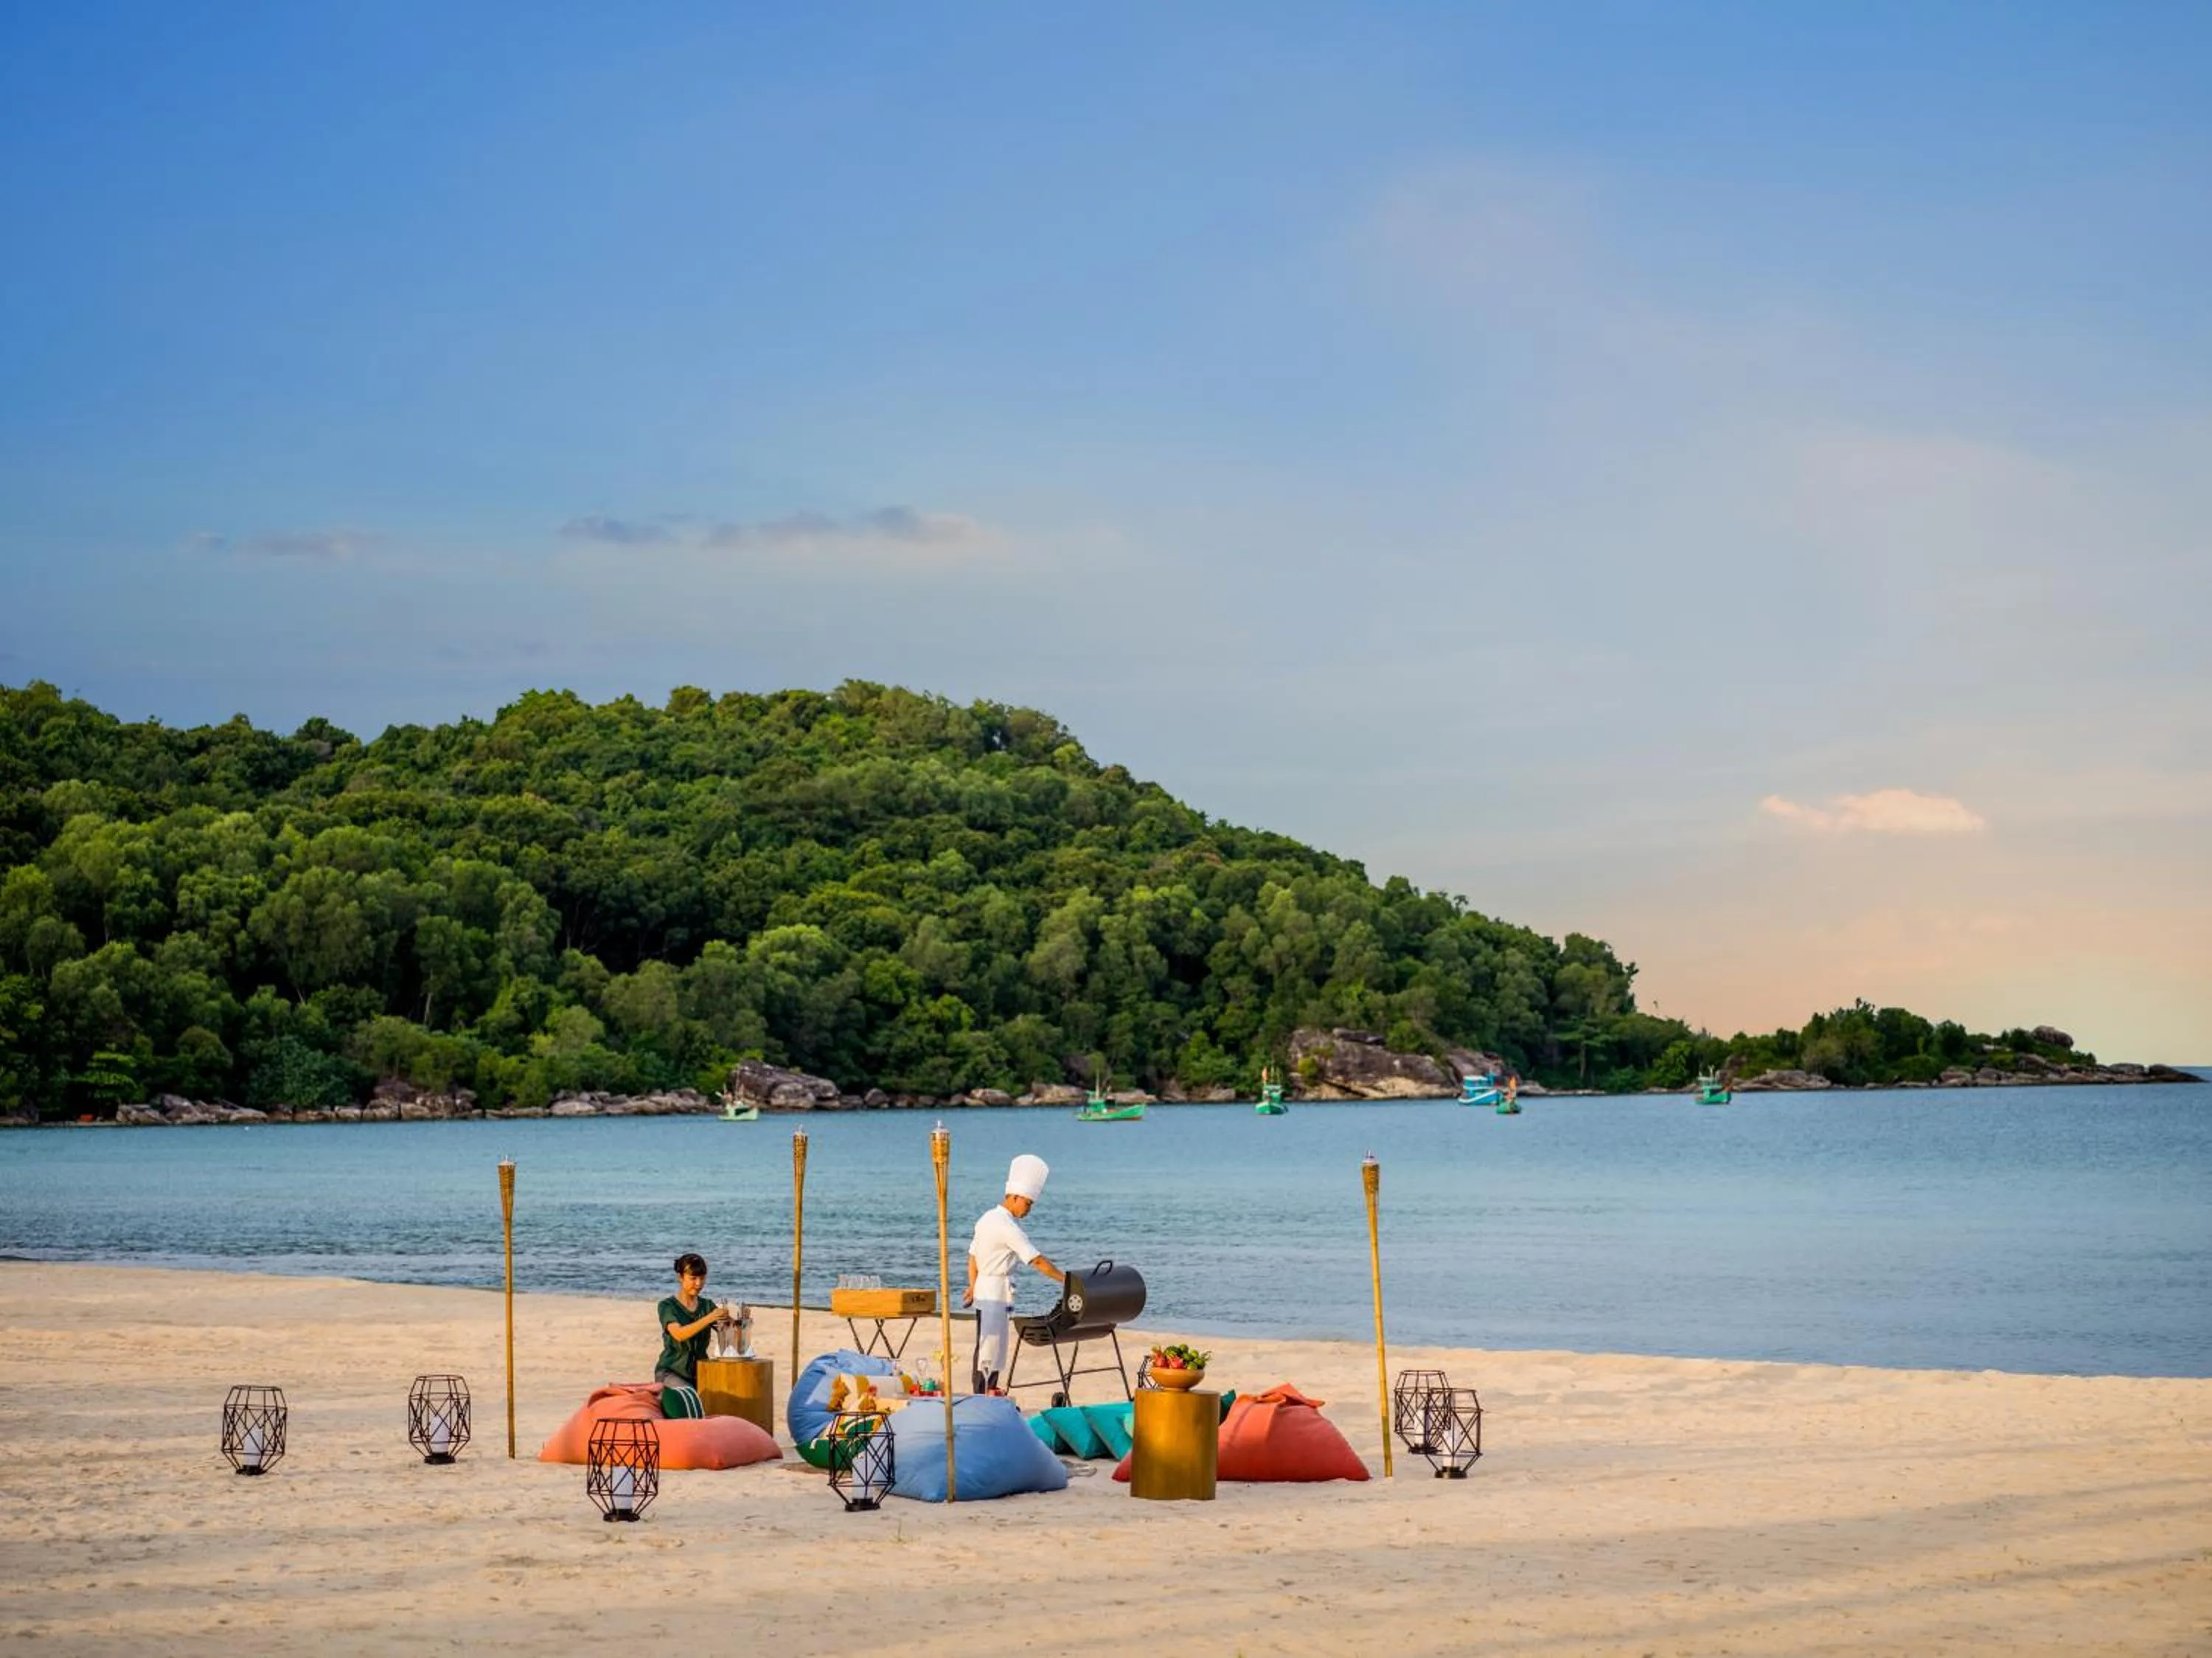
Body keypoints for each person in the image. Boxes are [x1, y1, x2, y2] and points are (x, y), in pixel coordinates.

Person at [963, 1154, 1065, 1394]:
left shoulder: (986, 1218)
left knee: (987, 1342)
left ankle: (985, 1390)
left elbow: (973, 1256)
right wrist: (1066, 1280)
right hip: (996, 1290)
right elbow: (1037, 1260)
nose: (1028, 1209)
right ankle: (984, 1393)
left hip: (985, 1288)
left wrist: (973, 1285)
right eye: (1027, 1203)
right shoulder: (1008, 1227)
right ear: (1015, 1197)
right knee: (991, 1345)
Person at [655, 1252, 734, 1390]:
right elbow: (679, 1334)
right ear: (680, 1277)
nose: (698, 1284)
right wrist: (709, 1318)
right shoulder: (667, 1306)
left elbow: (730, 1334)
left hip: (701, 1372)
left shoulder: (707, 1305)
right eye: (693, 1278)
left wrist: (730, 1322)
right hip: (671, 1372)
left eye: (702, 1278)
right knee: (689, 1394)